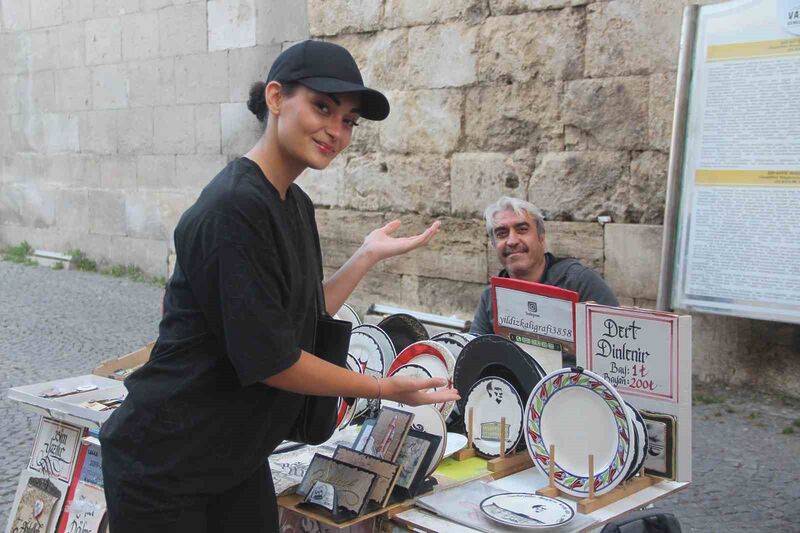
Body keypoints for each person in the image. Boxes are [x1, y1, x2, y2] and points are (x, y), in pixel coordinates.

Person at [99, 40, 459, 532]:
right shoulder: (234, 207)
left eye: (349, 120)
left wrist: (364, 256)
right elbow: (274, 359)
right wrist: (382, 388)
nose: (337, 130)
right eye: (323, 107)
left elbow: (303, 319)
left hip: (232, 455)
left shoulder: (293, 203)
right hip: (167, 463)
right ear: (275, 98)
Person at [470, 196, 619, 335]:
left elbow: (617, 345)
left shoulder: (579, 282)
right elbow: (474, 355)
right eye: (502, 233)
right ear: (494, 244)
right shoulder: (491, 297)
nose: (512, 241)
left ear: (541, 237)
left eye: (522, 230)